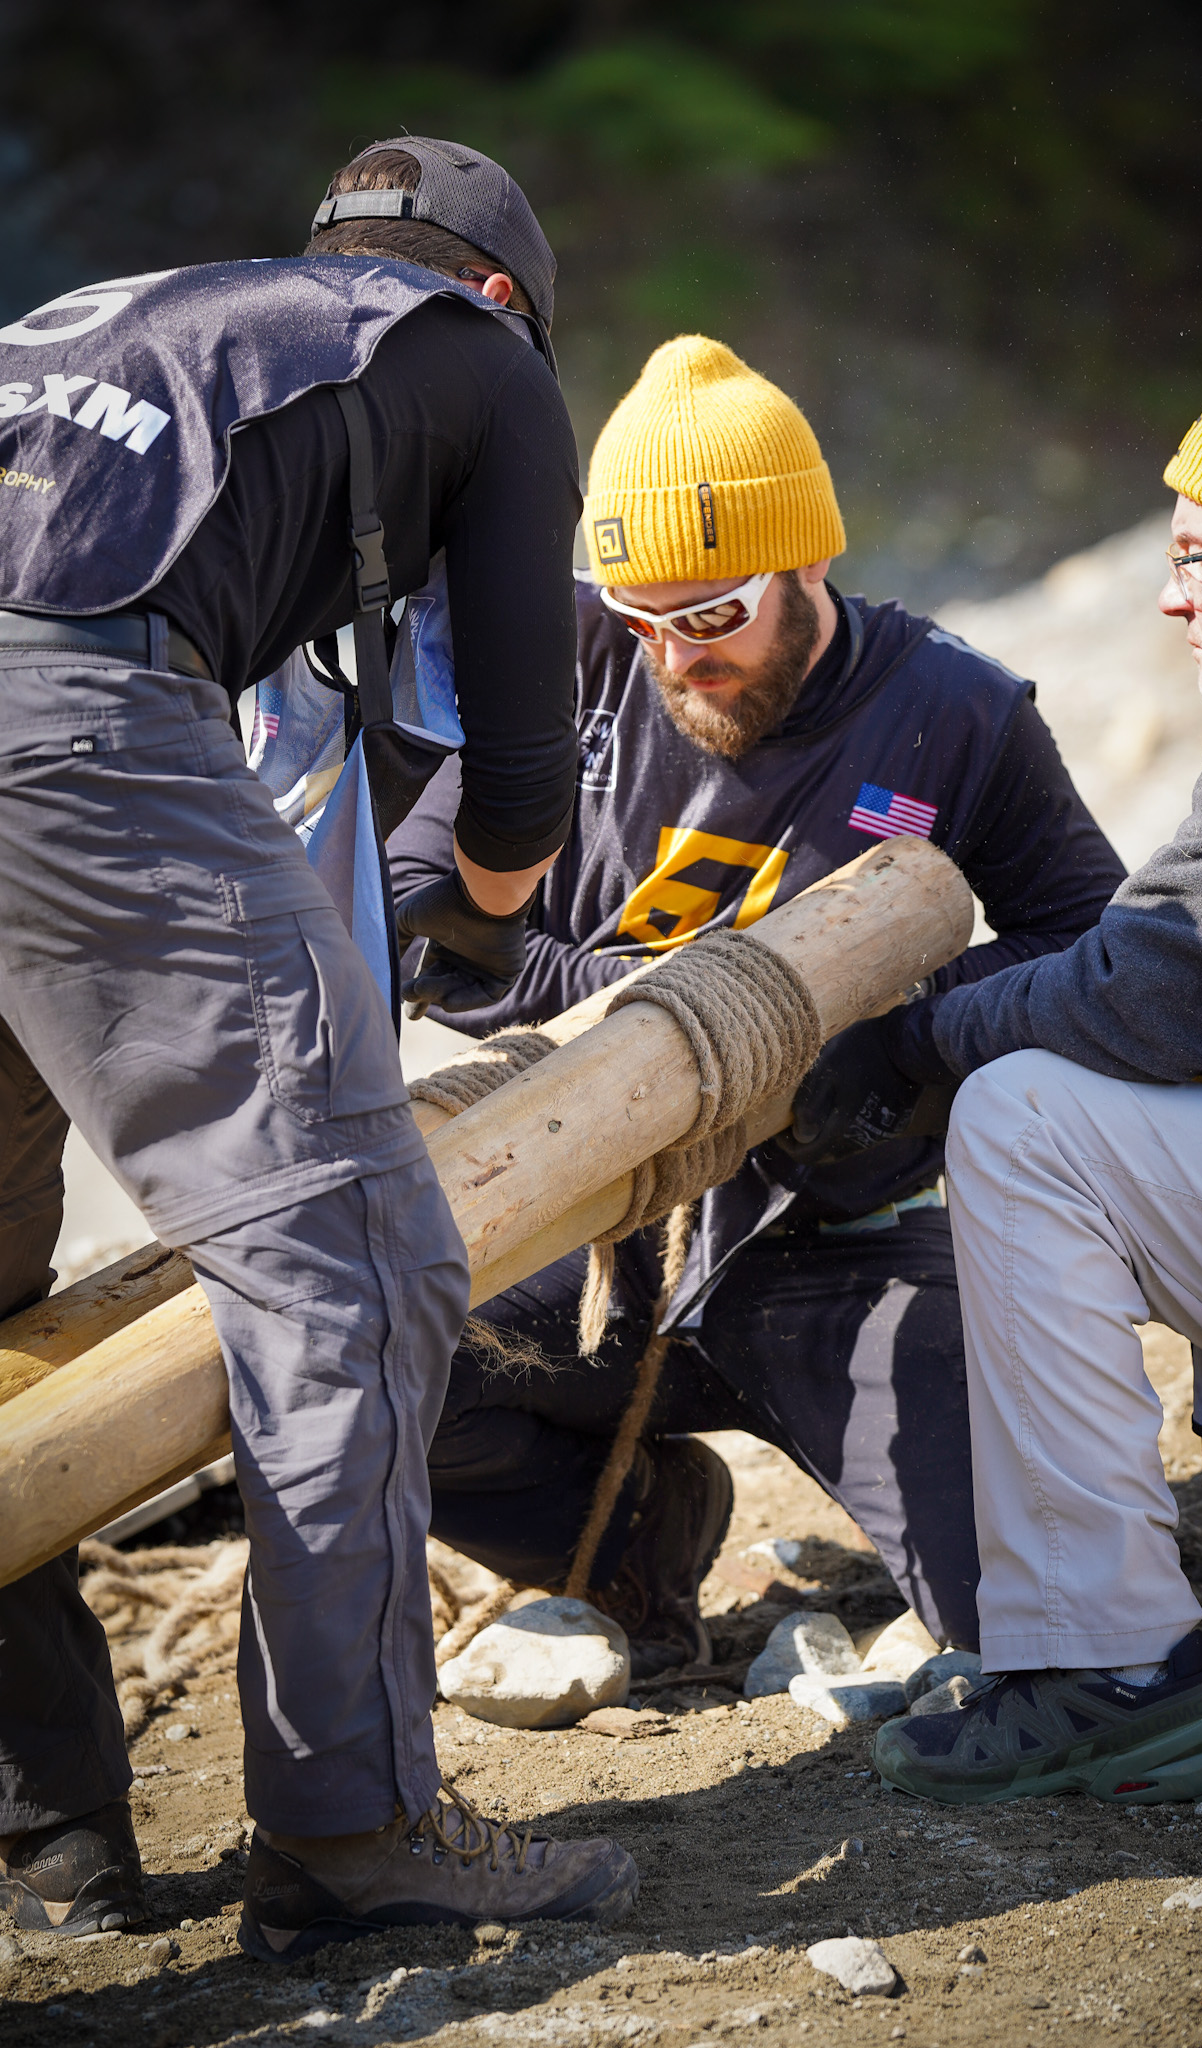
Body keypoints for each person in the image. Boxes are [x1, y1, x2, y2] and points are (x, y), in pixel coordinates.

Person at [0, 137, 638, 1958]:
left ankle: (47, 1841)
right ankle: (356, 1840)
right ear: (497, 292)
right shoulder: (480, 361)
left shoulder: (157, 330)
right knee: (349, 1266)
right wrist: (487, 920)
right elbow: (519, 764)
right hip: (70, 723)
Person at [386, 334, 1125, 1675]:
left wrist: (908, 1028)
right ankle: (637, 1552)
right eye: (640, 620)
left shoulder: (951, 710)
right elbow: (419, 891)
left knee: (1021, 1630)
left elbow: (1088, 935)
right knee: (378, 1365)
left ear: (807, 562)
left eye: (712, 616)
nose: (674, 659)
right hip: (586, 1220)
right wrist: (633, 1010)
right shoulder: (572, 660)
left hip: (835, 1232)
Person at [820, 355, 1202, 1807]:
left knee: (1023, 1117)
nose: (1171, 595)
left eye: (1199, 558)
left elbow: (1163, 987)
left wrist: (932, 1030)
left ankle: (1109, 1669)